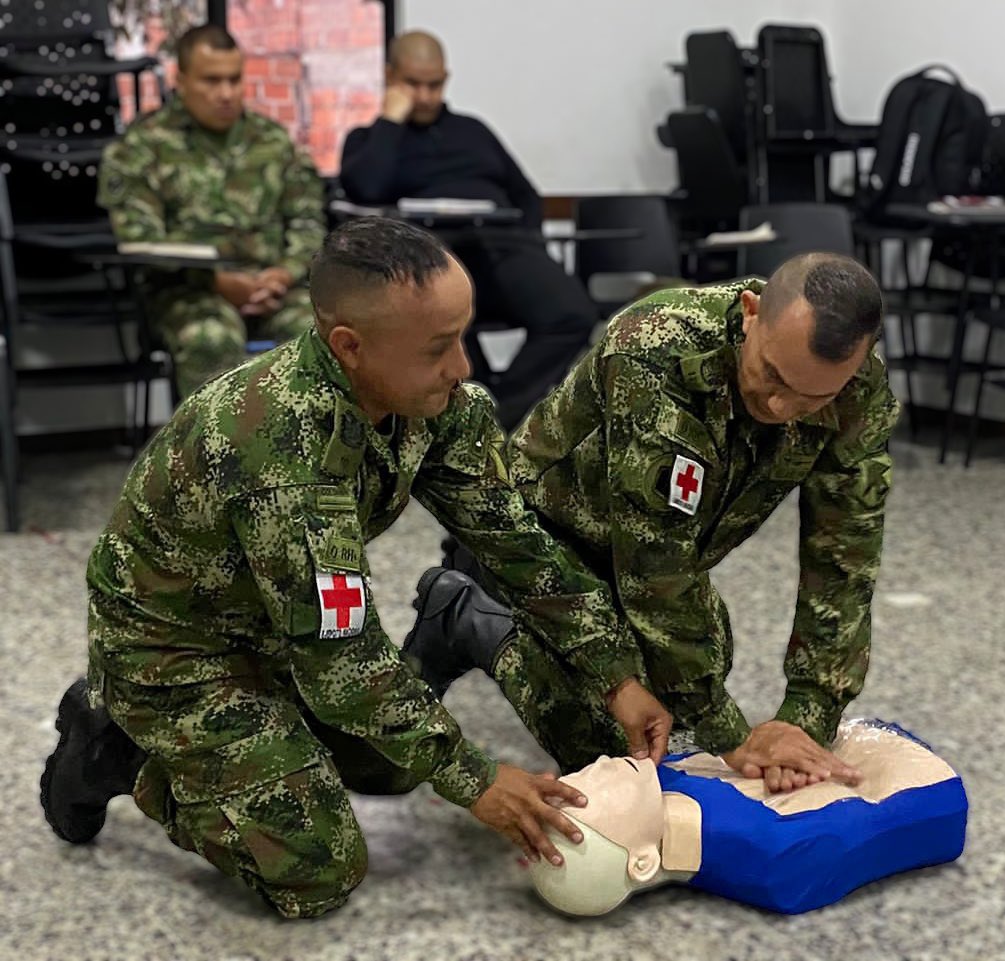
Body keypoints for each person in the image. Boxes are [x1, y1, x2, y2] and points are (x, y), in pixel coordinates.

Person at [37, 217, 668, 920]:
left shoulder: (431, 401)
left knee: (396, 763)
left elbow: (519, 545)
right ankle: (116, 751)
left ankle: (428, 637)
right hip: (175, 650)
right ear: (350, 347)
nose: (462, 366)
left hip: (280, 631)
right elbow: (342, 663)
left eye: (463, 335)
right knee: (316, 867)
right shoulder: (281, 455)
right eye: (439, 347)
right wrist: (477, 778)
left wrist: (617, 677)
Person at [405, 253, 901, 793]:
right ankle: (466, 610)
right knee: (616, 742)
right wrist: (734, 736)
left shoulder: (859, 391)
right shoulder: (657, 347)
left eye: (814, 397)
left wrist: (806, 717)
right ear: (752, 312)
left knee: (693, 682)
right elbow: (654, 567)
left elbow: (844, 557)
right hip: (535, 548)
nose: (782, 406)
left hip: (646, 558)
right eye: (772, 375)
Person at [339, 30, 600, 430]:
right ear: (390, 76)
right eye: (413, 84)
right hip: (432, 254)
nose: (425, 96)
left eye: (435, 84)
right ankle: (463, 418)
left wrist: (533, 246)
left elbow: (526, 195)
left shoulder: (473, 131)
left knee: (572, 314)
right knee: (446, 329)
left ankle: (497, 414)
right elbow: (365, 188)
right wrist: (390, 120)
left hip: (501, 244)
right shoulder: (371, 140)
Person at [528, 719, 968, 916]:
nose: (587, 772)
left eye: (570, 786)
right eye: (584, 801)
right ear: (641, 862)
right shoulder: (777, 859)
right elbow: (906, 809)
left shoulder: (654, 776)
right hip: (920, 775)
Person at [98, 24, 326, 399]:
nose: (226, 93)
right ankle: (216, 456)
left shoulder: (271, 142)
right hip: (186, 293)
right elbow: (141, 242)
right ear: (181, 80)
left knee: (325, 330)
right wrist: (218, 283)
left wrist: (282, 275)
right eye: (211, 81)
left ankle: (311, 453)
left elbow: (308, 222)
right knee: (211, 338)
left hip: (273, 288)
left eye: (234, 80)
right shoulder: (142, 147)